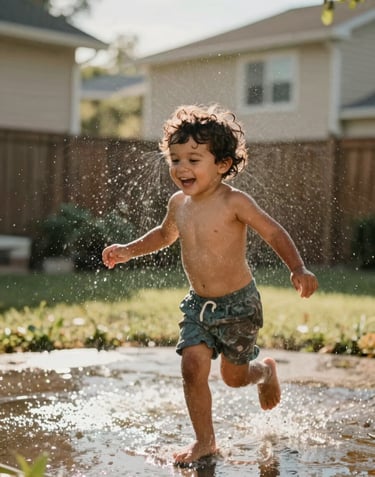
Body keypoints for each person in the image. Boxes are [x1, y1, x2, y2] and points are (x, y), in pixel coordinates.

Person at [102, 104, 319, 465]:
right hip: (197, 305)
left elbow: (273, 232)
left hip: (239, 306)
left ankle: (265, 371)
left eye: (193, 159)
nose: (181, 168)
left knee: (234, 378)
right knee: (191, 366)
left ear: (221, 164)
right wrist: (128, 251)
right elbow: (164, 235)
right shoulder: (178, 203)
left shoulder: (235, 201)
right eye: (175, 159)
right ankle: (205, 442)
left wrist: (297, 267)